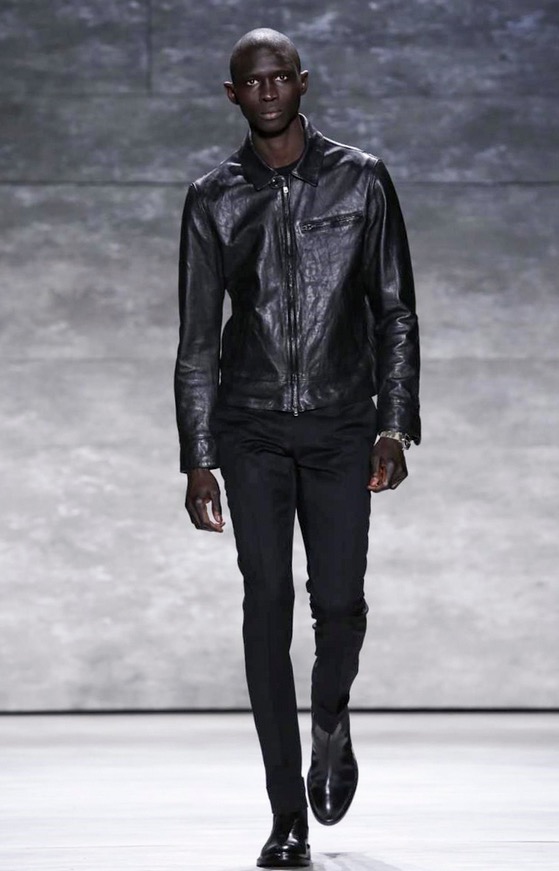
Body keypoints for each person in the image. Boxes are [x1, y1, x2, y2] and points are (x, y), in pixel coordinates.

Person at [174, 27, 420, 869]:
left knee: (340, 603)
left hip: (342, 421)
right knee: (266, 603)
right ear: (233, 95)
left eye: (281, 76)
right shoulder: (212, 198)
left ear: (302, 82)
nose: (269, 90)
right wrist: (198, 454)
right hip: (249, 426)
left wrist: (393, 423)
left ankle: (330, 718)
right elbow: (197, 339)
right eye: (254, 81)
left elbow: (394, 310)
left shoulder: (361, 178)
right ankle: (287, 816)